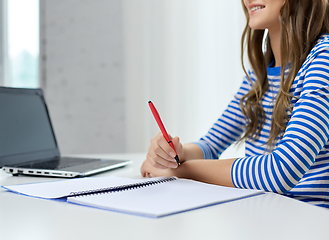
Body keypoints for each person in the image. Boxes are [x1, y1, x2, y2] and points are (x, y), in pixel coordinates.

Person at [140, 0, 329, 209]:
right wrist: (176, 155)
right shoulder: (259, 77)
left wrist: (180, 171)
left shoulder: (324, 58)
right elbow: (211, 145)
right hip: (267, 217)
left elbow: (281, 171)